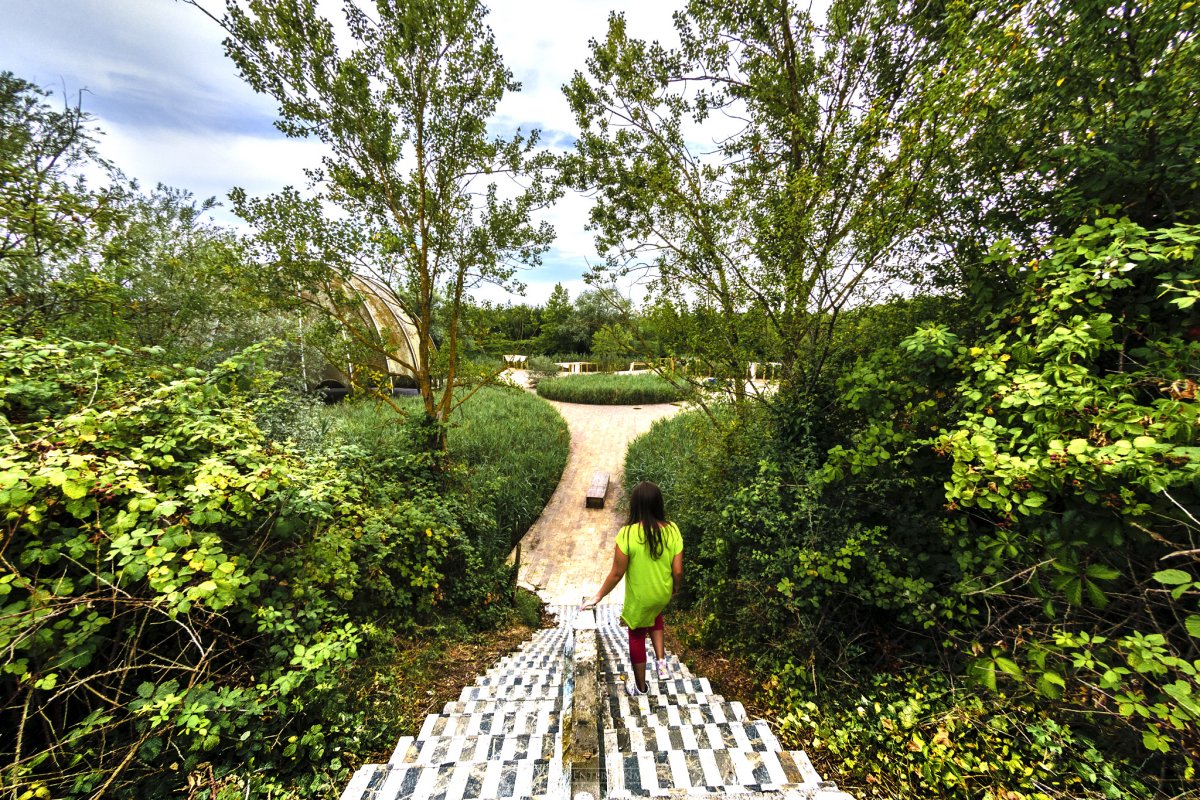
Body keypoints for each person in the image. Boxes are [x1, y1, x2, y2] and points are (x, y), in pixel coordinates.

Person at [580, 481, 684, 696]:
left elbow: (617, 573)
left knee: (636, 634)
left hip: (640, 598)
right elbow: (678, 570)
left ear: (635, 505)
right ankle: (662, 664)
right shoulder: (672, 530)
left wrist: (597, 596)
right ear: (658, 504)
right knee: (655, 616)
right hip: (661, 593)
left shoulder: (627, 534)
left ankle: (640, 687)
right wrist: (675, 588)